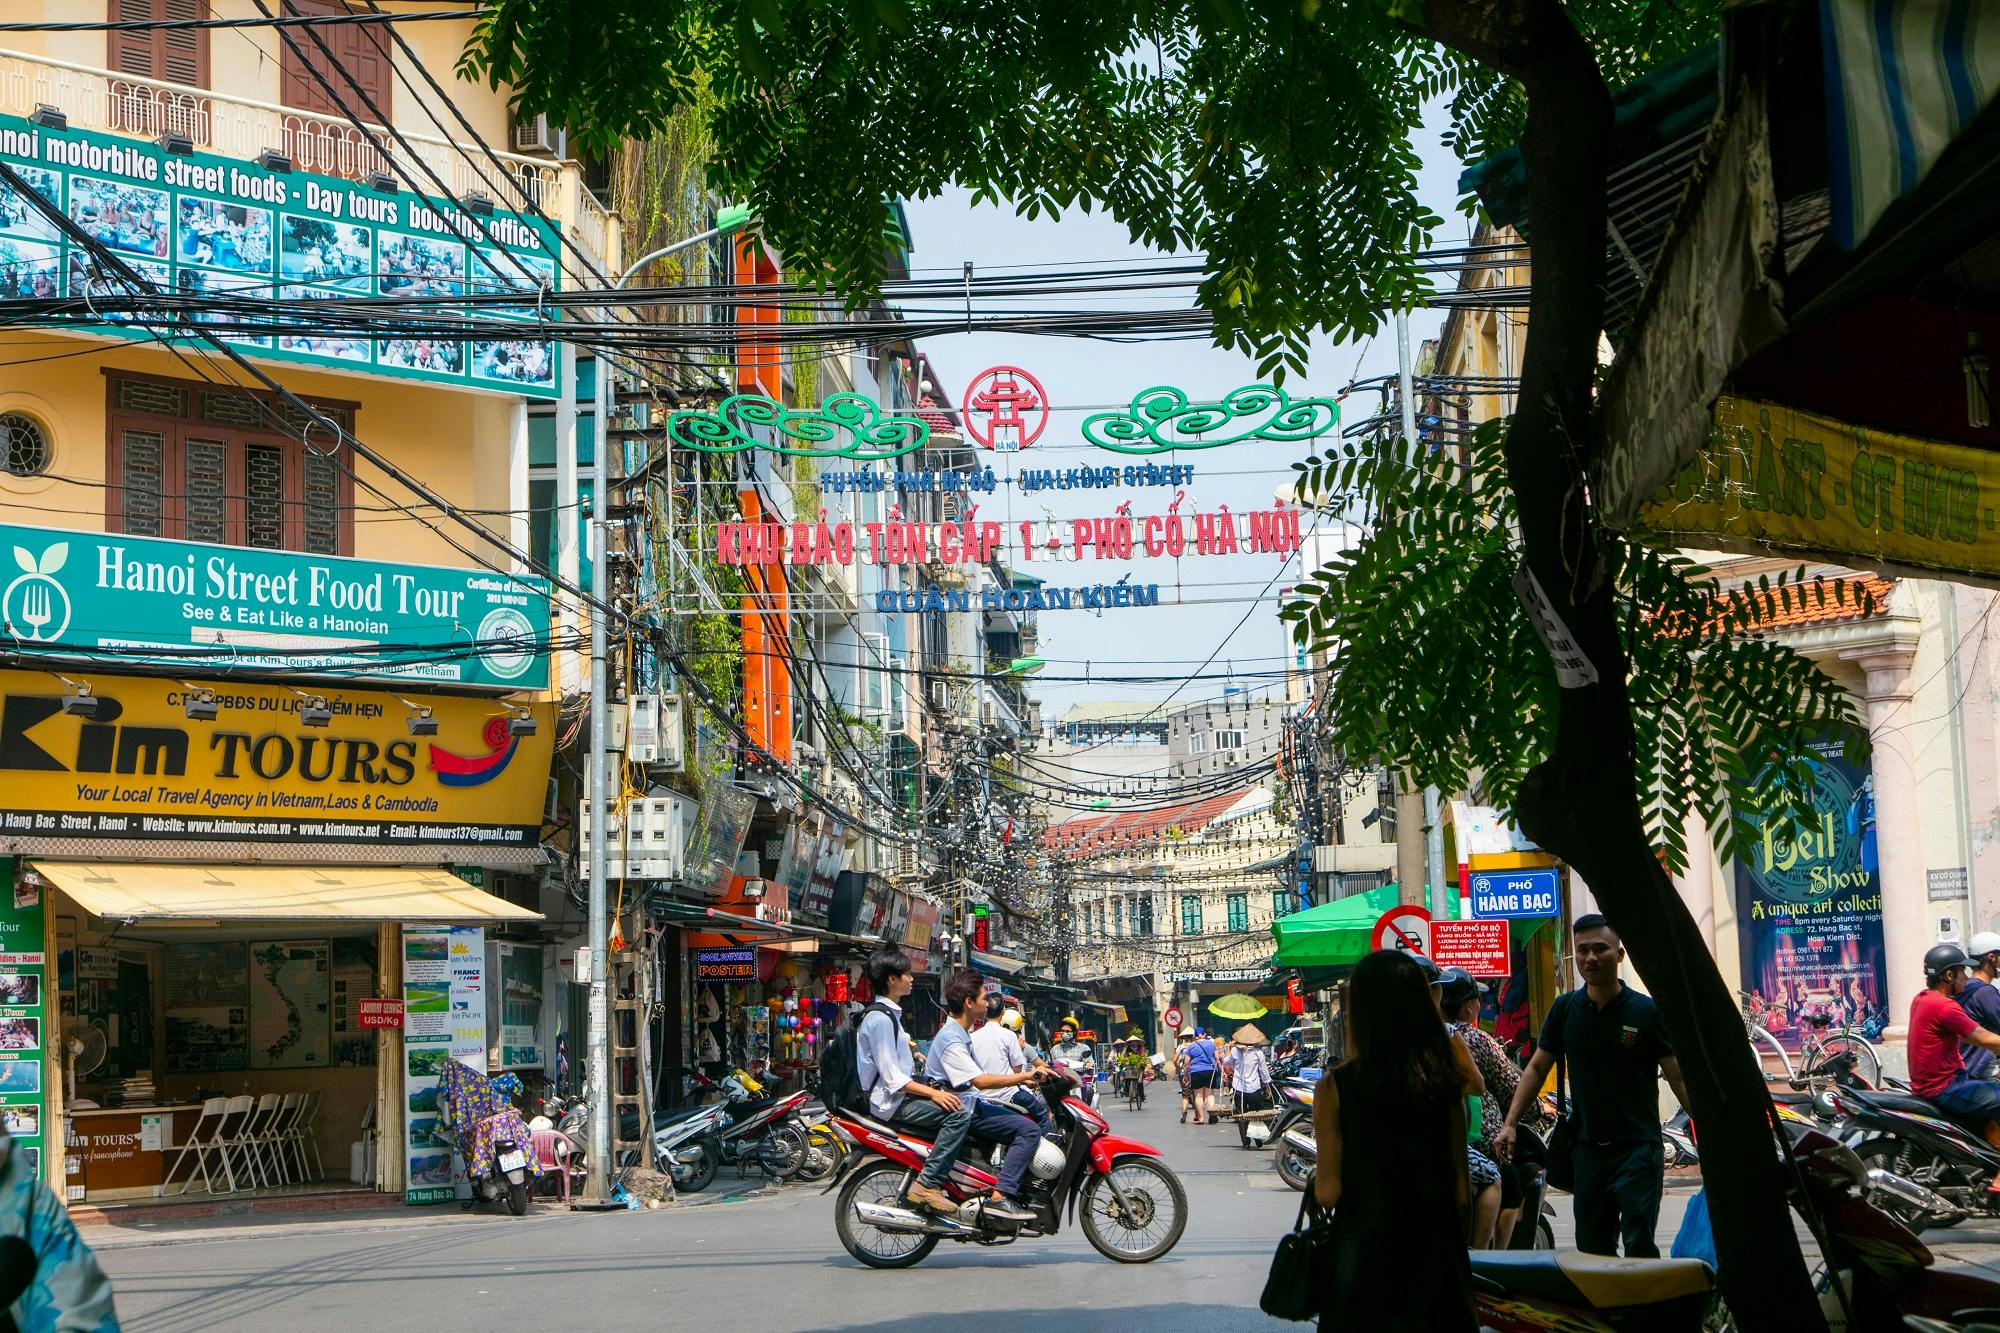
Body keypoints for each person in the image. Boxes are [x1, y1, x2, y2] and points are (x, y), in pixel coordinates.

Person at [1498, 915, 1691, 1258]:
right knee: (1592, 1250)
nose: (1590, 958)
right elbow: (1537, 1067)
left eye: (1599, 949)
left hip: (1638, 1150)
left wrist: (1704, 1124)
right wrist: (1510, 1123)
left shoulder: (1645, 1012)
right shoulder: (1565, 1008)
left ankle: (1642, 1312)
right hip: (1587, 1151)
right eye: (1582, 950)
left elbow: (1676, 1076)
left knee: (1640, 1246)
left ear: (1619, 955)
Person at [1312, 949, 1479, 1330]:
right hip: (1436, 1258)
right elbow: (1460, 1188)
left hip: (1364, 1260)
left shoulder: (1335, 1088)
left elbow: (1328, 1192)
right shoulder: (1445, 1084)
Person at [853, 946, 975, 1215]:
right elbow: (892, 1078)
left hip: (897, 1096)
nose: (911, 979)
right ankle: (927, 1184)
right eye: (906, 974)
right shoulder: (880, 1019)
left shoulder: (890, 1016)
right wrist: (933, 1094)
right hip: (889, 1102)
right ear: (891, 979)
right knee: (959, 1115)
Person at [928, 970, 1044, 1223]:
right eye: (982, 997)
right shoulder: (952, 1038)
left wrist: (1030, 1074)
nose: (986, 1002)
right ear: (969, 1003)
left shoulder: (965, 1035)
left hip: (973, 1102)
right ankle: (1000, 1197)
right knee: (1030, 1130)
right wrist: (1025, 1077)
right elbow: (979, 1081)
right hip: (963, 1107)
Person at [1441, 967, 1524, 1248]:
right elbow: (1500, 1085)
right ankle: (1486, 1258)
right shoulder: (1461, 1037)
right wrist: (1536, 1108)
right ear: (1468, 1006)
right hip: (1466, 1138)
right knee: (1501, 1179)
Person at [1908, 943, 2000, 1182]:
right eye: (1962, 972)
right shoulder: (1945, 1006)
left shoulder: (1921, 999)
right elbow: (1983, 1038)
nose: (1966, 978)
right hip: (1945, 1088)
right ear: (1949, 975)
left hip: (1939, 1082)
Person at [971, 996, 1054, 1133]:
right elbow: (1017, 1072)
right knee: (1043, 1117)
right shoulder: (1009, 1036)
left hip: (981, 1096)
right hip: (1007, 1094)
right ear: (1003, 1011)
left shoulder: (973, 1037)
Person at [1960, 934, 2000, 1079]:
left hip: (1965, 1066)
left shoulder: (1965, 987)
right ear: (1991, 957)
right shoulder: (1985, 992)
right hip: (1980, 1068)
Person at [1230, 1025, 1272, 1113]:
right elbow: (1263, 1072)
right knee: (1254, 1114)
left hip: (1238, 1088)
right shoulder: (1258, 1052)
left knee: (1241, 1115)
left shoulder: (1234, 1051)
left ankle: (1243, 1127)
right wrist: (1268, 1087)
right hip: (1254, 1088)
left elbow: (1230, 1064)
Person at [1184, 1028, 1219, 1123]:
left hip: (1196, 1071)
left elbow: (1186, 1063)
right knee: (1210, 1095)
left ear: (1195, 1036)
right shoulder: (1211, 1044)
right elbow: (1217, 1058)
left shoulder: (1191, 1046)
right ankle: (1212, 1114)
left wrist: (1186, 1075)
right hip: (1210, 1071)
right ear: (1203, 1034)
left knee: (1198, 1096)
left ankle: (1201, 1118)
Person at [1173, 1030, 1196, 1122]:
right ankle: (1198, 1114)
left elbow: (1174, 1060)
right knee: (1197, 1093)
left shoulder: (1181, 1047)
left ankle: (1184, 1111)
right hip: (1195, 1071)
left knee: (1185, 1094)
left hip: (1184, 1072)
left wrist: (1177, 1068)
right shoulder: (1196, 1045)